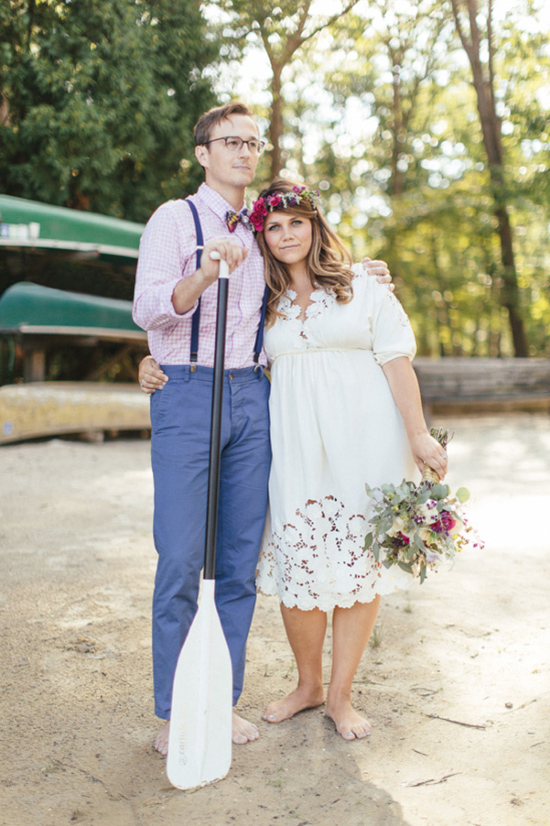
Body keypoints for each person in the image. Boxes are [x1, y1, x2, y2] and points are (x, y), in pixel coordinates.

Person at [133, 102, 393, 756]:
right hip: (188, 389)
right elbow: (147, 308)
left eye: (252, 143)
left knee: (240, 562)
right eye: (230, 142)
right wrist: (203, 271)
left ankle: (219, 702)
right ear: (203, 152)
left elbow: (311, 287)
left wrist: (368, 275)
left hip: (254, 394)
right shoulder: (175, 219)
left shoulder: (262, 227)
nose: (244, 153)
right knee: (182, 558)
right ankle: (174, 711)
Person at [249, 180, 448, 741]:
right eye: (274, 227)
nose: (286, 235)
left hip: (366, 439)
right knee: (300, 562)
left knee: (359, 565)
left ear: (315, 227)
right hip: (296, 445)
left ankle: (340, 696)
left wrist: (418, 435)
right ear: (263, 238)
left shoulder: (362, 284)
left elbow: (396, 361)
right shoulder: (259, 302)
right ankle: (307, 685)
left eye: (296, 223)